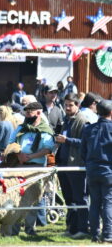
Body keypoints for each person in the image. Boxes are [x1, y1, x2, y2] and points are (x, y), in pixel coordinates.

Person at [9, 102, 55, 236]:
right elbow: (12, 143)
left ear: (38, 113)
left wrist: (30, 156)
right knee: (16, 197)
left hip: (36, 166)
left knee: (34, 199)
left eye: (30, 112)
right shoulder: (21, 128)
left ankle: (30, 228)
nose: (27, 115)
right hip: (19, 165)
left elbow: (47, 149)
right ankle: (14, 228)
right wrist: (19, 155)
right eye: (26, 112)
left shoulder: (45, 130)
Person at [55, 93, 89, 239]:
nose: (67, 108)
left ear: (78, 105)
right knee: (69, 199)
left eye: (71, 105)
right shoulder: (66, 120)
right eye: (66, 105)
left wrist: (67, 140)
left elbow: (85, 143)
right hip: (64, 165)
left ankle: (83, 229)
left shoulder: (83, 120)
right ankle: (72, 228)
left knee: (80, 199)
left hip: (77, 166)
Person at [81, 100, 112, 243]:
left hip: (92, 170)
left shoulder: (88, 129)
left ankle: (94, 234)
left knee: (95, 203)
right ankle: (107, 234)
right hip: (108, 170)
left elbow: (83, 152)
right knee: (108, 203)